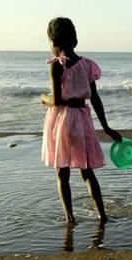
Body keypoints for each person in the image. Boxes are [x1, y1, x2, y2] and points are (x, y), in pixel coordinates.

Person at [40, 17, 121, 224]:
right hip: (83, 119)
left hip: (63, 120)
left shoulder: (57, 66)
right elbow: (94, 98)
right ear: (75, 41)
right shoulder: (87, 65)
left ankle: (70, 218)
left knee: (62, 172)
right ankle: (102, 215)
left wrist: (43, 98)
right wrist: (107, 127)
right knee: (87, 171)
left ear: (54, 43)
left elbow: (57, 100)